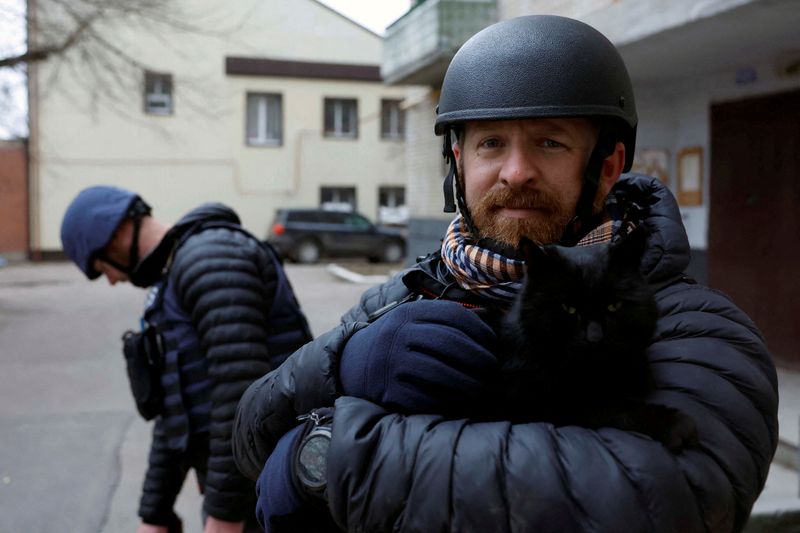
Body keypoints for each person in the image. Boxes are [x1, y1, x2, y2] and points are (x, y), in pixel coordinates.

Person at [232, 15, 778, 533]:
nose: (516, 172)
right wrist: (345, 368)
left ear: (608, 167)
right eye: (491, 142)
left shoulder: (694, 323)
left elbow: (670, 495)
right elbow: (249, 435)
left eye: (549, 142)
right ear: (459, 162)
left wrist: (329, 459)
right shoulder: (403, 296)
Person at [60, 186, 313, 533]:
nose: (112, 281)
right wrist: (155, 513)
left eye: (101, 266)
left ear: (116, 232)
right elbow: (174, 413)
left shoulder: (210, 257)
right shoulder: (175, 276)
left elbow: (241, 395)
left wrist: (224, 517)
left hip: (268, 494)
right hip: (240, 493)